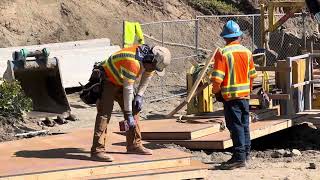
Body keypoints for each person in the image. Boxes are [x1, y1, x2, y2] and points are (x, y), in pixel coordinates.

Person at [91, 44, 171, 161]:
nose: (152, 70)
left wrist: (139, 95)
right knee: (105, 114)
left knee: (135, 110)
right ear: (150, 59)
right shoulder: (133, 62)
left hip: (122, 81)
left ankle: (134, 145)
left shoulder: (150, 63)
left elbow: (146, 77)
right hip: (108, 79)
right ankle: (97, 151)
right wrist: (128, 115)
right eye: (153, 67)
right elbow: (128, 89)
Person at [211, 20, 257, 170]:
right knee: (244, 126)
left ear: (225, 37)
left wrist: (216, 92)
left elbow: (217, 78)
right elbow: (252, 76)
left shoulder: (222, 53)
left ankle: (238, 157)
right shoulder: (247, 52)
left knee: (235, 127)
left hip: (231, 98)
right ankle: (245, 155)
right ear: (239, 36)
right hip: (244, 96)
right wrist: (248, 91)